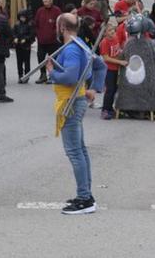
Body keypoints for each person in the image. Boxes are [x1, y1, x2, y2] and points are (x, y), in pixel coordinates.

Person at [45, 13, 106, 215]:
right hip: (77, 99)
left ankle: (84, 198)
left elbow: (70, 76)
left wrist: (52, 71)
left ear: (62, 27)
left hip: (70, 102)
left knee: (74, 151)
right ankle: (85, 193)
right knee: (80, 149)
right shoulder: (81, 44)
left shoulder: (72, 48)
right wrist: (94, 89)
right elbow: (100, 65)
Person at [114, 13, 155, 118]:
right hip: (148, 86)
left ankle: (129, 108)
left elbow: (121, 57)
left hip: (128, 87)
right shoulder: (150, 44)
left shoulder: (128, 43)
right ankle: (150, 110)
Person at [98, 19, 126, 119]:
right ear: (104, 33)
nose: (112, 32)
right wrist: (120, 62)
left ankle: (110, 108)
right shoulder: (104, 42)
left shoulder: (115, 38)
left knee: (115, 89)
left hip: (116, 69)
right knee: (109, 89)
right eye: (109, 31)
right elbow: (106, 58)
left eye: (113, 30)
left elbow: (118, 51)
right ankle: (105, 110)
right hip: (108, 69)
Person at [33, 0, 62, 84]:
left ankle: (52, 76)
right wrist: (38, 34)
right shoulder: (40, 11)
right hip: (41, 40)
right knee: (40, 57)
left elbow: (60, 24)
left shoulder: (57, 10)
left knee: (54, 59)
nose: (45, 0)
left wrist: (55, 34)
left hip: (53, 41)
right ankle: (43, 75)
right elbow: (36, 24)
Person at [12, 8, 36, 84]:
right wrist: (15, 38)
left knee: (26, 61)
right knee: (19, 61)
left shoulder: (29, 24)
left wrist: (25, 39)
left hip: (26, 45)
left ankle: (27, 75)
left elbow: (32, 34)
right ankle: (20, 75)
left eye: (24, 17)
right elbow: (13, 33)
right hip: (18, 45)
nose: (22, 18)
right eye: (21, 17)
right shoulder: (17, 24)